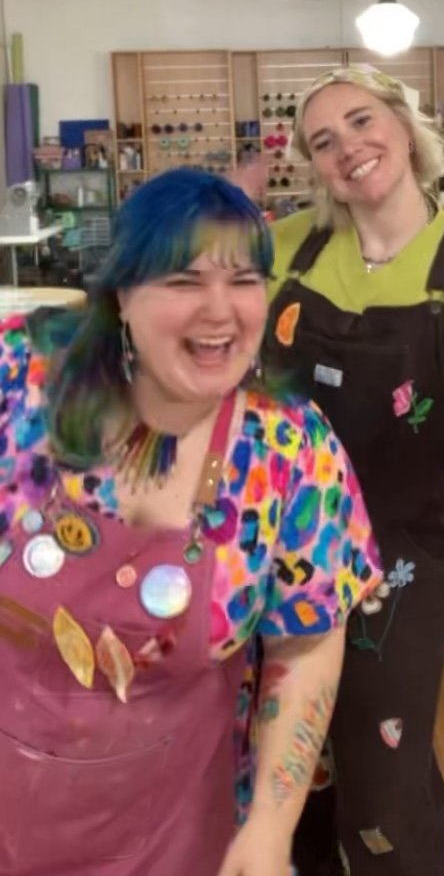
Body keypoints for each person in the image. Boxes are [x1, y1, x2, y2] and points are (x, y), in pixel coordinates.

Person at [0, 167, 382, 876]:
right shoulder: (22, 381)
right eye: (184, 281)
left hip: (182, 839)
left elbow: (305, 644)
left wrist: (270, 824)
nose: (220, 310)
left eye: (244, 280)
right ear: (122, 295)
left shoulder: (288, 450)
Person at [248, 63, 444, 876]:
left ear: (406, 130)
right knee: (286, 767)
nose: (347, 147)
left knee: (382, 780)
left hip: (401, 562)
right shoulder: (283, 249)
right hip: (281, 549)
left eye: (361, 121)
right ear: (315, 167)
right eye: (323, 141)